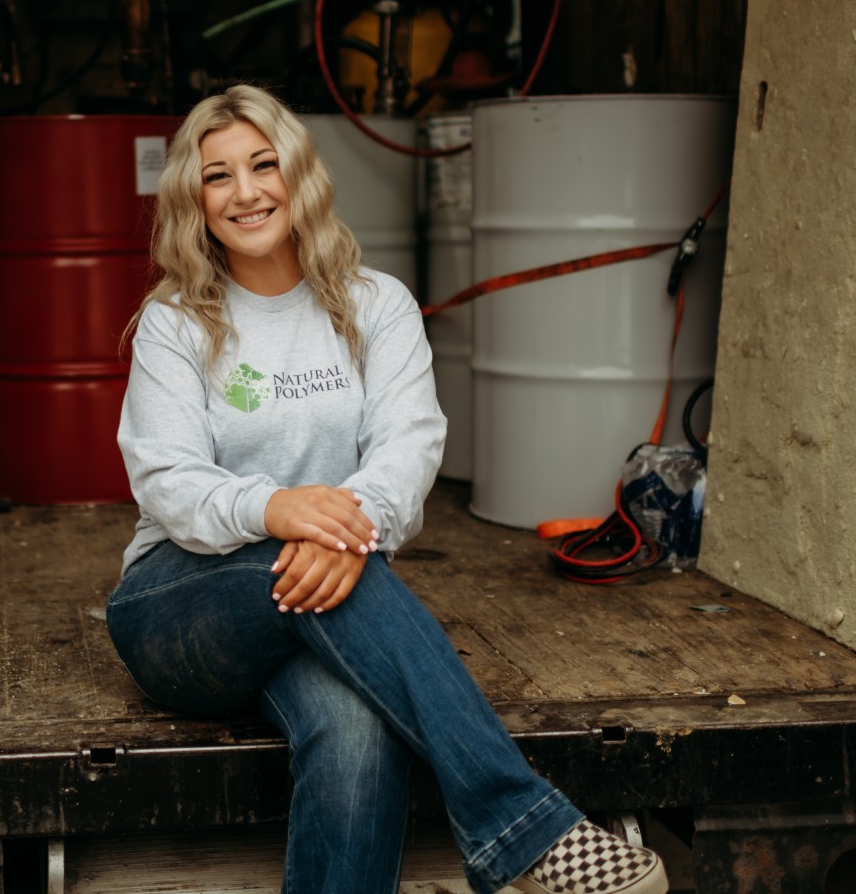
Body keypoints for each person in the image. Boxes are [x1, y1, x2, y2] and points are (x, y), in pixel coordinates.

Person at [108, 85, 667, 894]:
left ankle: (516, 837)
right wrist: (278, 508)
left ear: (301, 176)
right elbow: (167, 478)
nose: (247, 191)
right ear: (194, 199)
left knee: (358, 729)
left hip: (326, 597)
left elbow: (411, 443)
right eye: (218, 175)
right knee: (327, 566)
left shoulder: (378, 306)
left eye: (264, 165)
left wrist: (346, 523)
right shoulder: (176, 321)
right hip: (181, 607)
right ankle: (525, 833)